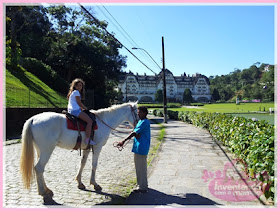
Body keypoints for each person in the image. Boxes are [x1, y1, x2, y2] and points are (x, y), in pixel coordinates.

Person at [118, 106, 151, 193]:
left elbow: (134, 133)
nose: (138, 114)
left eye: (139, 112)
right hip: (138, 147)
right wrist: (135, 133)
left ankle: (142, 187)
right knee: (139, 167)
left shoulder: (144, 122)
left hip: (141, 147)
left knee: (141, 168)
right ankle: (141, 184)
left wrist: (123, 141)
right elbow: (136, 132)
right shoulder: (141, 121)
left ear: (144, 113)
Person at [67, 78, 96, 145]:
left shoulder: (72, 92)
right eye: (78, 85)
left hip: (72, 109)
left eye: (81, 85)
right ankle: (87, 139)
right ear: (75, 86)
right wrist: (86, 109)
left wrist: (82, 109)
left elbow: (76, 104)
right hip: (75, 110)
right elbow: (79, 103)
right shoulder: (76, 92)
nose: (80, 87)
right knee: (89, 121)